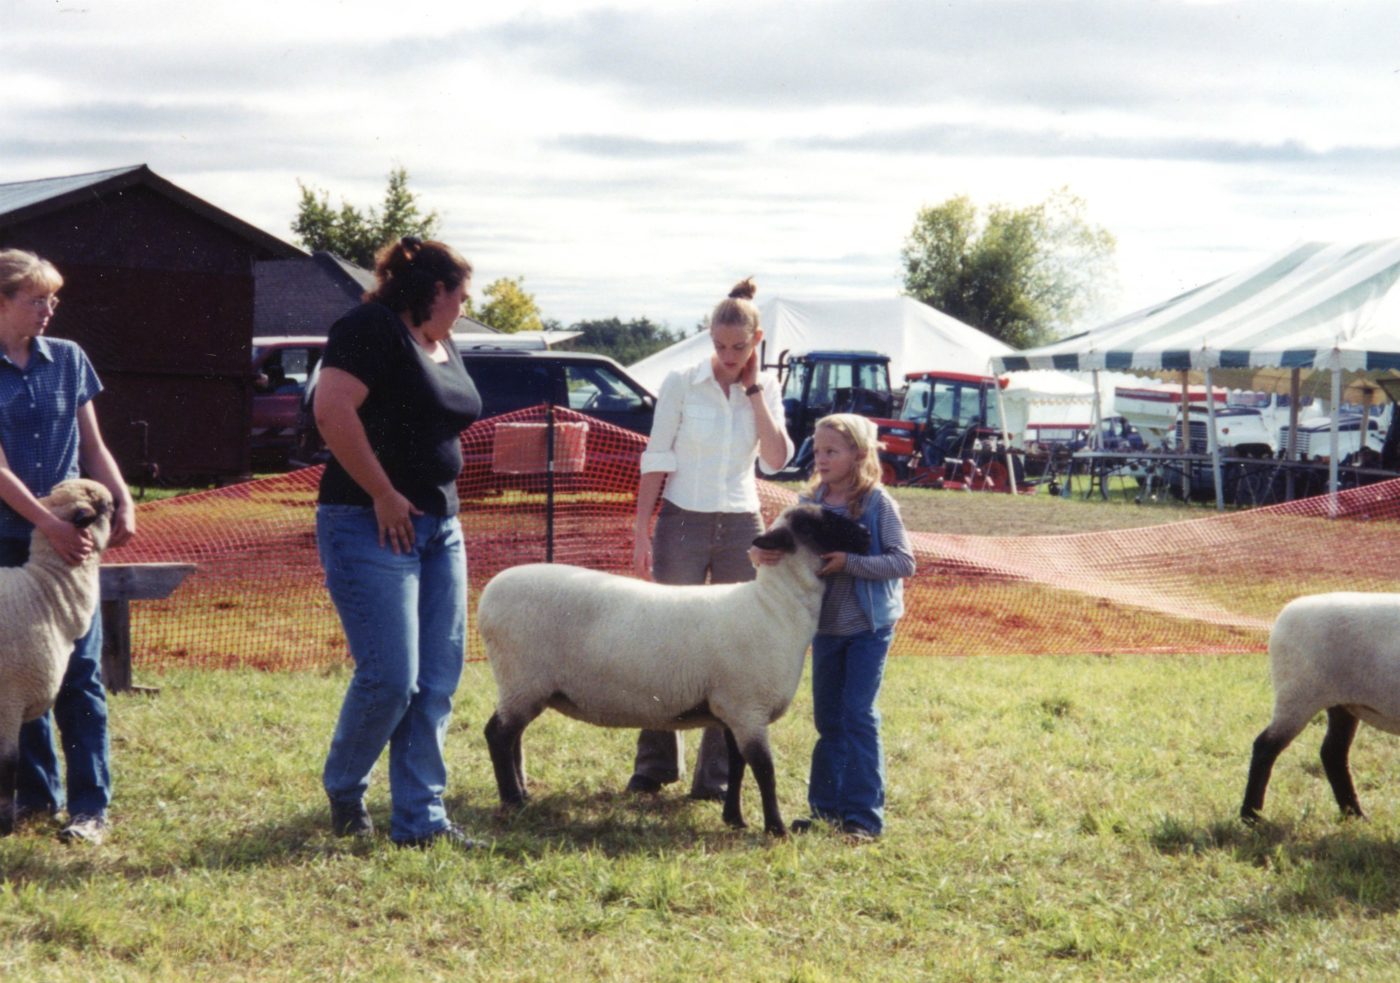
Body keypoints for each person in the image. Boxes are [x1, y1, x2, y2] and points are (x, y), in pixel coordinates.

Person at [314, 236, 483, 849]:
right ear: (433, 290)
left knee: (436, 680)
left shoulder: (441, 341)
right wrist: (384, 492)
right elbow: (333, 411)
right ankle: (345, 787)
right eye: (461, 295)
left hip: (441, 527)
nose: (466, 306)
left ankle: (421, 820)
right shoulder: (368, 327)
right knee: (392, 677)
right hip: (368, 520)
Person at [629, 277, 794, 799]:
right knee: (663, 644)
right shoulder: (680, 381)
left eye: (739, 348)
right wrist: (640, 530)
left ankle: (717, 779)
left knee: (734, 655)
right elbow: (656, 457)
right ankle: (654, 767)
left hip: (743, 525)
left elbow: (776, 459)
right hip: (681, 521)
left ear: (756, 341)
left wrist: (753, 390)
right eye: (719, 346)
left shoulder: (766, 390)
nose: (727, 356)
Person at [0, 248, 137, 846]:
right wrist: (42, 521)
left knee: (78, 671)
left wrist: (122, 497)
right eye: (37, 300)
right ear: (2, 301)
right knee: (13, 677)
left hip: (68, 545)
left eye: (53, 299)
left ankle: (89, 807)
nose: (49, 309)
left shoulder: (69, 360)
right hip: (11, 538)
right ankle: (34, 795)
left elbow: (93, 444)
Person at [756, 413, 914, 841]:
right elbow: (778, 541)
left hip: (867, 626)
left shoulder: (878, 503)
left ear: (859, 455)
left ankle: (863, 818)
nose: (821, 459)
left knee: (858, 715)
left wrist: (852, 564)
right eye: (818, 450)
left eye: (832, 451)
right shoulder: (809, 500)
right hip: (826, 629)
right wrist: (762, 555)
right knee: (828, 718)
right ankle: (824, 811)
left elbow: (904, 562)